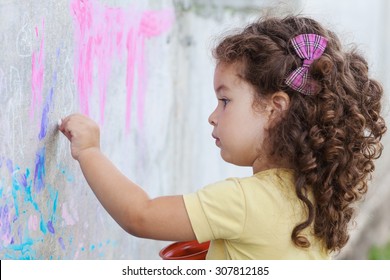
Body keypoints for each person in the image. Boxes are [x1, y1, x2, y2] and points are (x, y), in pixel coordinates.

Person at [59, 15, 387, 259]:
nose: (213, 116)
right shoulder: (313, 200)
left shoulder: (244, 201)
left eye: (225, 100)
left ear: (275, 110)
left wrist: (89, 150)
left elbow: (139, 215)